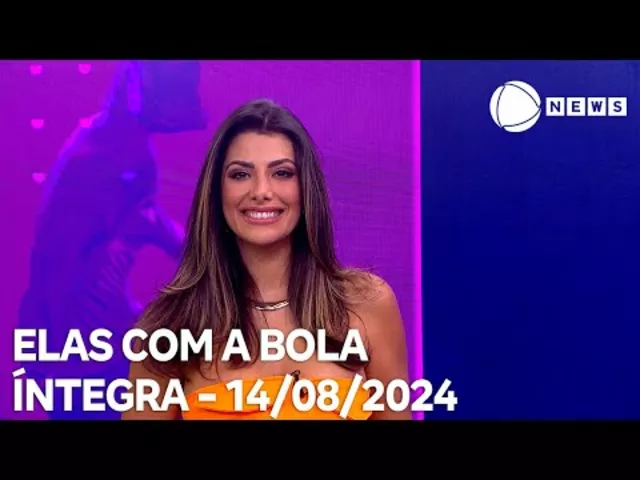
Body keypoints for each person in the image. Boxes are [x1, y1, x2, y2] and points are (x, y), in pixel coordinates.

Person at [124, 98, 410, 420]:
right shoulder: (169, 327)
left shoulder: (367, 303)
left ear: (306, 188)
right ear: (216, 192)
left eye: (282, 173)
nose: (261, 191)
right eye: (240, 174)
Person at [18, 61, 208, 420]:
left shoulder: (120, 147)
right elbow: (64, 264)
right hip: (76, 345)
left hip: (82, 341)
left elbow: (146, 223)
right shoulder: (102, 156)